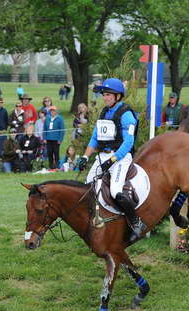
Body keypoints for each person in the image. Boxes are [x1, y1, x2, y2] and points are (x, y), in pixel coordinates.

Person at [76, 77, 146, 242]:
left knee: (116, 191)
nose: (105, 97)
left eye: (108, 94)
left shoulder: (126, 114)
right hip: (104, 155)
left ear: (118, 96)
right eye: (104, 94)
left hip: (121, 157)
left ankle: (136, 222)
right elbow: (95, 138)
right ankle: (96, 220)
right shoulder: (104, 112)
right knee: (88, 187)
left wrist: (114, 159)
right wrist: (85, 157)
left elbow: (128, 142)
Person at [43, 105, 64, 169]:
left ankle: (57, 166)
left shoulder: (60, 119)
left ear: (56, 111)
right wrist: (44, 138)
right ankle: (51, 166)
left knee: (56, 152)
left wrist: (60, 139)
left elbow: (62, 130)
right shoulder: (47, 118)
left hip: (56, 139)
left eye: (54, 111)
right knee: (49, 152)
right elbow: (45, 129)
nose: (52, 112)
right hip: (48, 139)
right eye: (51, 111)